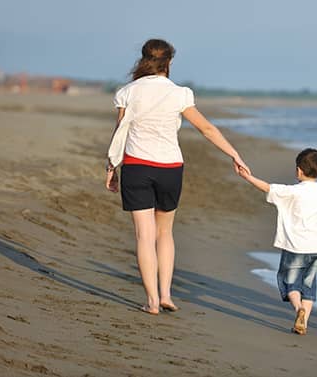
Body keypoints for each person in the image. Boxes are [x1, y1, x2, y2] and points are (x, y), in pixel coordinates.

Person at [105, 39, 250, 315]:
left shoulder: (127, 92)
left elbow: (119, 134)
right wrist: (235, 155)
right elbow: (206, 129)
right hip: (170, 168)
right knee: (165, 233)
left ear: (143, 59)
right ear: (168, 62)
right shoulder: (180, 93)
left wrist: (111, 168)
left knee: (144, 236)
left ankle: (151, 301)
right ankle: (166, 294)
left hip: (137, 166)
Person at [239, 148, 317, 335]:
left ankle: (299, 310)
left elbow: (268, 187)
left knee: (290, 283)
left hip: (294, 246)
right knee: (308, 286)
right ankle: (303, 322)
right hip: (314, 248)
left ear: (299, 170)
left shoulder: (292, 192)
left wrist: (247, 177)